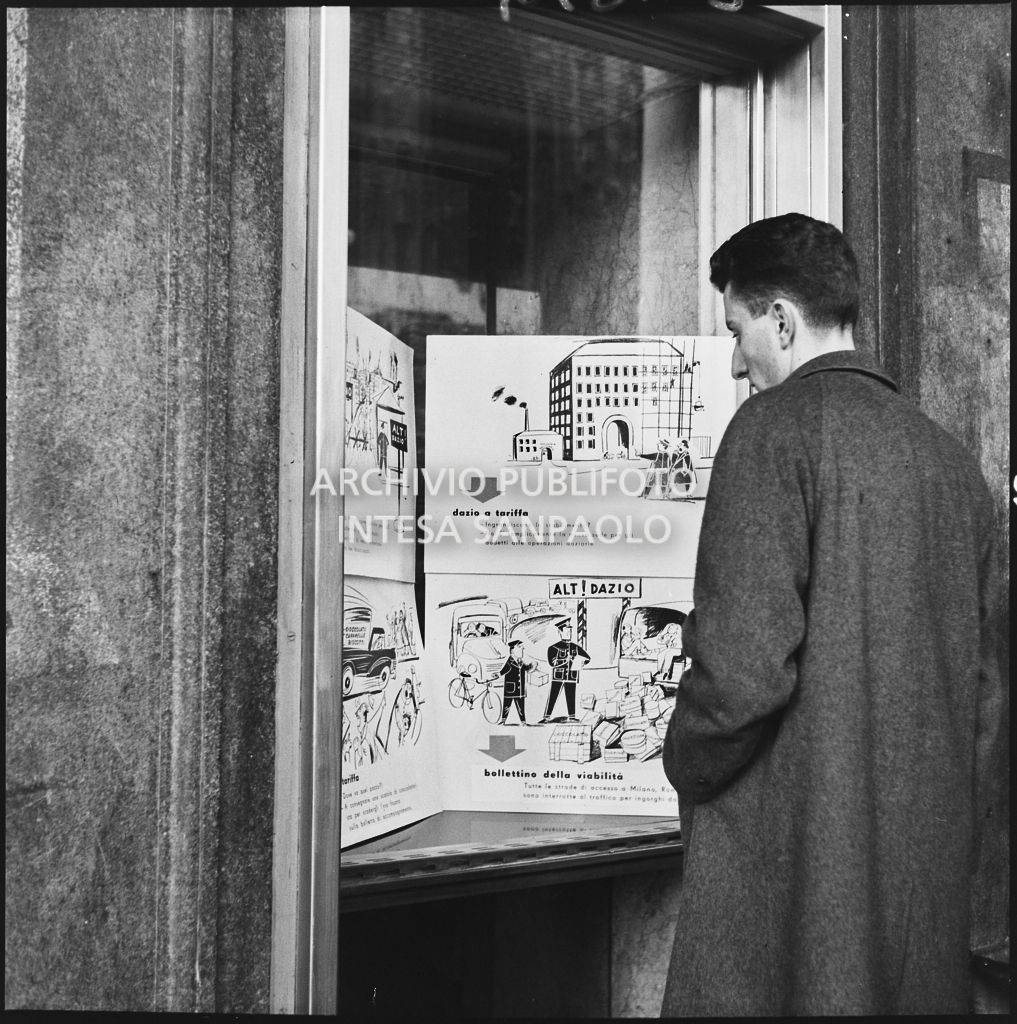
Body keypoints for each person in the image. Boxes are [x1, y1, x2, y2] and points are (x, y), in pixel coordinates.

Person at [661, 213, 1002, 1016]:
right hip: (922, 892)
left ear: (779, 319)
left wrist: (684, 758)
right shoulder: (950, 463)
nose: (737, 363)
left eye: (737, 330)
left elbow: (741, 675)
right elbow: (987, 698)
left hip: (793, 881)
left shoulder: (771, 431)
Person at [541, 619, 590, 723]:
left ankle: (572, 717)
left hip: (571, 676)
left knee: (571, 695)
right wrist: (565, 660)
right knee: (553, 696)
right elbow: (552, 663)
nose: (570, 633)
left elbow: (587, 658)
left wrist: (579, 663)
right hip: (558, 676)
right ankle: (547, 717)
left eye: (570, 631)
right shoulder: (553, 648)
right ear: (560, 632)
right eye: (567, 631)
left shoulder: (575, 647)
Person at [498, 639, 537, 726]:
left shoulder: (520, 661)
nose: (522, 649)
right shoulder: (510, 661)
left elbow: (526, 668)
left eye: (522, 647)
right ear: (512, 650)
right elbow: (503, 671)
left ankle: (523, 722)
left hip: (520, 690)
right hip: (510, 689)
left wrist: (532, 665)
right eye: (519, 647)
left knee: (521, 706)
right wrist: (497, 674)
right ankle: (503, 720)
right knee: (507, 706)